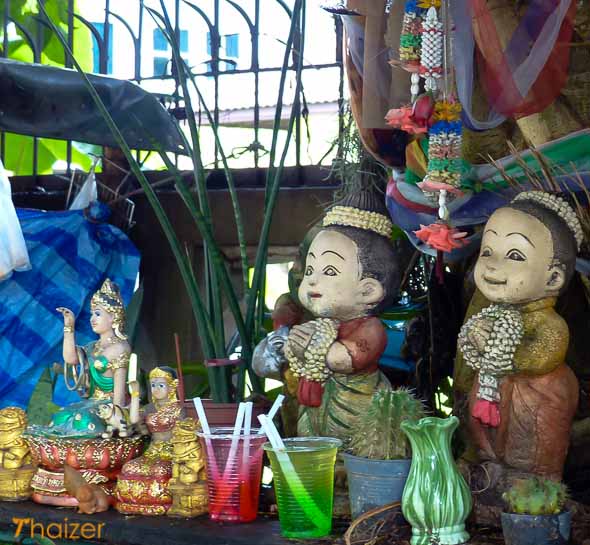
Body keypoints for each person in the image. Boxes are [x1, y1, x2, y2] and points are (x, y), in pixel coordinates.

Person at [458, 191, 582, 480]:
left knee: (531, 444)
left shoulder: (550, 323)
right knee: (484, 435)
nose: (491, 264)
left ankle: (534, 486)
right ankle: (486, 468)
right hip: (495, 388)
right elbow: (474, 348)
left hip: (539, 395)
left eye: (514, 255)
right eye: (487, 251)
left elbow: (542, 355)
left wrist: (502, 352)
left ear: (553, 278)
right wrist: (479, 339)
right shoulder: (490, 314)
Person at [38, 279, 131, 438]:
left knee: (83, 419)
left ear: (113, 317)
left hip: (110, 406)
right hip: (92, 401)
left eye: (98, 313)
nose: (92, 319)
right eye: (92, 314)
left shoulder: (120, 348)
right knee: (63, 415)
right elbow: (71, 358)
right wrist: (69, 327)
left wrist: (116, 416)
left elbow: (119, 393)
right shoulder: (92, 347)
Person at [115, 366, 185, 516]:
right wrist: (134, 395)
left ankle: (159, 500)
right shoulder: (149, 408)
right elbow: (133, 420)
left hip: (172, 453)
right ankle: (138, 500)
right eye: (153, 385)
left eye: (161, 385)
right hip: (152, 452)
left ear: (172, 385)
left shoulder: (179, 409)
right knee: (129, 468)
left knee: (159, 471)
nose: (156, 389)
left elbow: (186, 434)